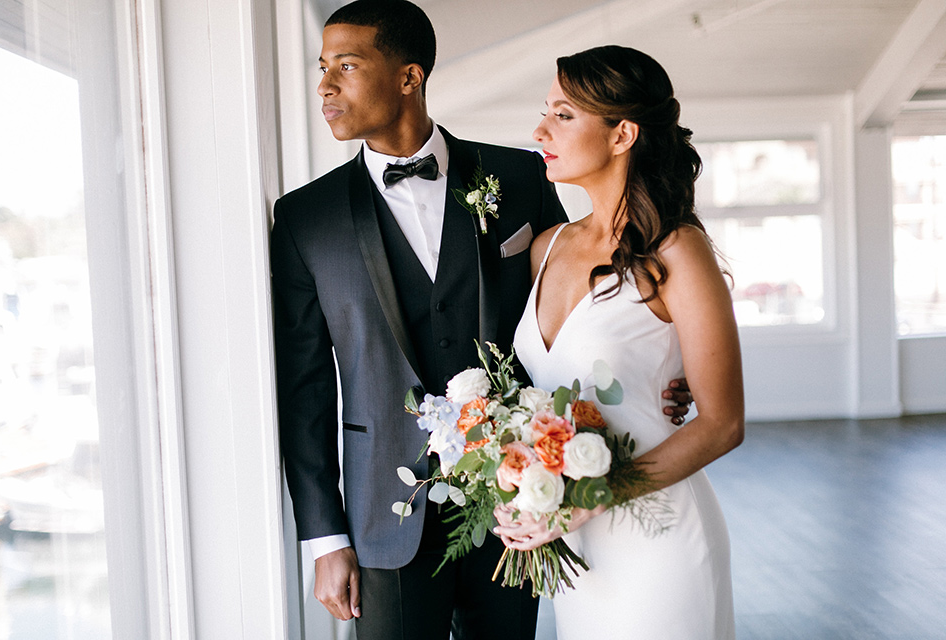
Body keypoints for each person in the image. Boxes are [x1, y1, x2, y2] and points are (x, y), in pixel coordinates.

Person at [270, 2, 693, 637]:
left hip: (519, 497)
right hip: (386, 515)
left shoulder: (521, 176)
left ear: (409, 77)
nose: (326, 85)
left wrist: (666, 368)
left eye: (348, 65)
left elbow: (591, 293)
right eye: (322, 66)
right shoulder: (306, 218)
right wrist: (324, 538)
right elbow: (301, 390)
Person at [494, 46, 744, 640]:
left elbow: (723, 423)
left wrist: (593, 495)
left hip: (658, 543)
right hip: (576, 549)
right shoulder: (546, 247)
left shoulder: (678, 252)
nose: (539, 131)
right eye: (544, 113)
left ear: (621, 133)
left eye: (562, 115)